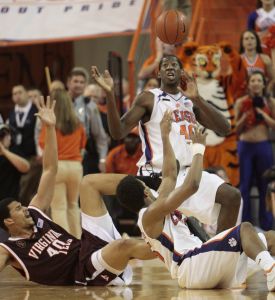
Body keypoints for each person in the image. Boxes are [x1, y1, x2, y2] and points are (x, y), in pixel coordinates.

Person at [0, 96, 154, 286]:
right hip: (85, 270)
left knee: (89, 182)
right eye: (17, 208)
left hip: (86, 245)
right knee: (125, 244)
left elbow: (49, 170)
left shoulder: (34, 212)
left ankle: (153, 187)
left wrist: (50, 129)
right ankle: (175, 250)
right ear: (8, 221)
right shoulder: (9, 249)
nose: (24, 208)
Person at [115, 111, 275, 290]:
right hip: (191, 266)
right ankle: (272, 271)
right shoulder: (149, 215)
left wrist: (164, 135)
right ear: (145, 191)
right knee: (244, 228)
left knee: (270, 238)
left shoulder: (156, 205)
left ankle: (268, 268)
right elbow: (191, 186)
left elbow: (169, 175)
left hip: (203, 260)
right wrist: (198, 150)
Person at [91, 54, 241, 234]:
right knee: (167, 239)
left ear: (181, 72)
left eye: (175, 65)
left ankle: (222, 253)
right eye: (165, 65)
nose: (170, 67)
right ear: (159, 73)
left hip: (188, 173)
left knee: (232, 197)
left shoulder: (190, 101)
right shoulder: (148, 98)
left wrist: (198, 99)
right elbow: (117, 132)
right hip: (159, 176)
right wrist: (109, 94)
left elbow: (225, 128)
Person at [39, 89, 86, 238]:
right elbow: (83, 145)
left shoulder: (50, 125)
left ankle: (66, 243)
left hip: (57, 167)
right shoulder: (78, 123)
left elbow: (43, 145)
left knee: (59, 207)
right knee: (73, 205)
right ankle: (78, 240)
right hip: (76, 167)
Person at [235, 71, 275, 230]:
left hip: (263, 146)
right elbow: (235, 131)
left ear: (264, 84)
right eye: (253, 80)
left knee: (265, 186)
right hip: (245, 147)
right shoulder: (241, 102)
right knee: (244, 187)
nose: (256, 83)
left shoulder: (270, 102)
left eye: (259, 80)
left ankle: (267, 227)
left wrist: (262, 115)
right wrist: (245, 117)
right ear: (249, 83)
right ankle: (244, 227)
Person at [67, 67, 108, 174]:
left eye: (82, 82)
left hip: (84, 154)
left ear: (85, 85)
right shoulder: (59, 102)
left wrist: (102, 159)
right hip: (62, 154)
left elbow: (100, 135)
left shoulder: (90, 105)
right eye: (75, 81)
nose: (78, 85)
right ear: (68, 83)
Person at [8, 85, 41, 206]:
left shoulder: (35, 111)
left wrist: (40, 153)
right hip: (15, 158)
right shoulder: (12, 112)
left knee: (27, 190)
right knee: (17, 189)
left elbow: (40, 134)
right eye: (14, 93)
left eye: (19, 92)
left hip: (32, 157)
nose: (17, 96)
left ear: (27, 94)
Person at [0, 124, 30, 200]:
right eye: (3, 135)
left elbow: (26, 168)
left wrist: (4, 151)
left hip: (10, 201)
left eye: (8, 134)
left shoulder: (14, 151)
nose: (7, 137)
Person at [239, 30, 275, 94]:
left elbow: (273, 78)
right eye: (246, 39)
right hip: (243, 94)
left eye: (252, 38)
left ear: (257, 41)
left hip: (262, 94)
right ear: (242, 42)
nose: (249, 40)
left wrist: (267, 90)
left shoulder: (265, 58)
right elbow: (231, 80)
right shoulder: (238, 60)